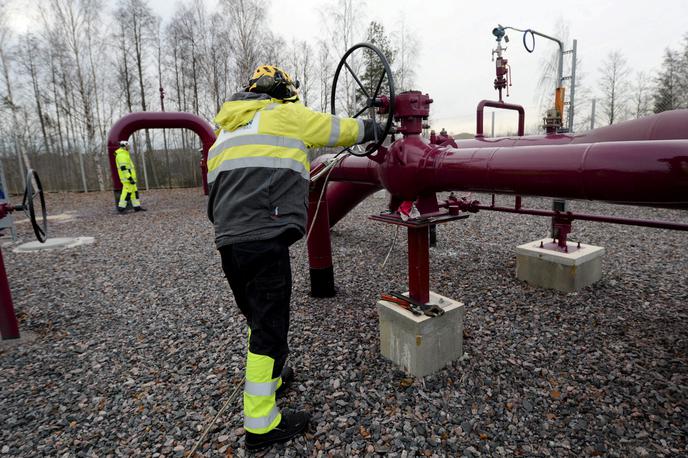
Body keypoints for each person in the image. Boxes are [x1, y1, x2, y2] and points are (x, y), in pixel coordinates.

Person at [207, 65, 382, 450]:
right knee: (269, 328)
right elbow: (338, 130)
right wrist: (375, 127)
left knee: (257, 316)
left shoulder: (225, 134)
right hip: (263, 239)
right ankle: (261, 424)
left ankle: (273, 376)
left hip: (229, 243)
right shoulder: (283, 114)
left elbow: (213, 193)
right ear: (283, 90)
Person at [114, 141, 146, 213]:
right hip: (127, 179)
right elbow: (124, 169)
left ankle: (137, 207)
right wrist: (130, 178)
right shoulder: (121, 155)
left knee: (134, 192)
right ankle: (121, 208)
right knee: (126, 193)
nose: (129, 148)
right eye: (127, 146)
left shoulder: (125, 154)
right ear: (123, 146)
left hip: (130, 178)